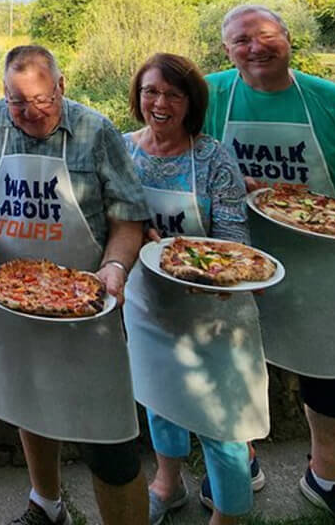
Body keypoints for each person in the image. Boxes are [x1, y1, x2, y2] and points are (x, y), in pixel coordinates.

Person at [204, 5, 335, 525]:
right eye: (241, 40)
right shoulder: (209, 96)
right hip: (238, 256)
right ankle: (240, 463)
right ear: (226, 50)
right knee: (235, 368)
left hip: (326, 258)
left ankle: (326, 479)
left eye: (266, 35)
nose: (255, 47)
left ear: (289, 38)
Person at [0, 44, 150, 525]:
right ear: (3, 93)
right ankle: (47, 504)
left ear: (61, 86)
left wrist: (116, 268)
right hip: (10, 300)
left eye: (42, 100)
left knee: (110, 440)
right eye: (18, 103)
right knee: (29, 405)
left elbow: (128, 217)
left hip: (85, 303)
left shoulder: (96, 132)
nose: (31, 112)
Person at [120, 53, 269, 525]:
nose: (159, 103)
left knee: (221, 423)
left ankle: (228, 515)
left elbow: (234, 240)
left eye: (172, 94)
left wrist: (179, 255)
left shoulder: (213, 157)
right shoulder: (124, 150)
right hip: (148, 304)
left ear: (191, 102)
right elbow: (112, 220)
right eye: (150, 91)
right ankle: (167, 484)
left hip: (214, 307)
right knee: (158, 399)